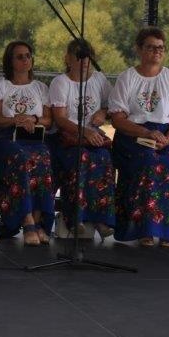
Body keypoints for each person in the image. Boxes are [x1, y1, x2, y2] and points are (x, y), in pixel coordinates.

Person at [108, 27, 169, 247]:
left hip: (166, 134)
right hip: (134, 133)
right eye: (151, 47)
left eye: (161, 48)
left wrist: (168, 139)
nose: (157, 51)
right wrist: (145, 132)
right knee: (147, 161)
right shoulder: (127, 77)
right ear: (139, 49)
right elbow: (117, 119)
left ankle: (167, 231)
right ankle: (143, 229)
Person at [48, 38, 115, 241]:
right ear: (68, 58)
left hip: (92, 136)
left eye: (88, 56)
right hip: (67, 138)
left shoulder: (99, 80)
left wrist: (102, 113)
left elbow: (110, 105)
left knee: (103, 158)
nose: (84, 61)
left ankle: (101, 219)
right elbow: (60, 119)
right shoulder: (60, 82)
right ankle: (75, 217)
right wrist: (84, 132)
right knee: (82, 158)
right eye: (79, 56)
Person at [0, 41, 53, 246]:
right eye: (19, 56)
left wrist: (34, 119)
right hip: (8, 136)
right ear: (10, 61)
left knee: (43, 158)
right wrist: (15, 119)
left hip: (33, 136)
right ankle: (27, 221)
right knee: (21, 158)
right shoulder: (1, 85)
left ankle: (38, 220)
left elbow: (49, 120)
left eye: (28, 55)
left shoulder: (40, 87)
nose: (25, 60)